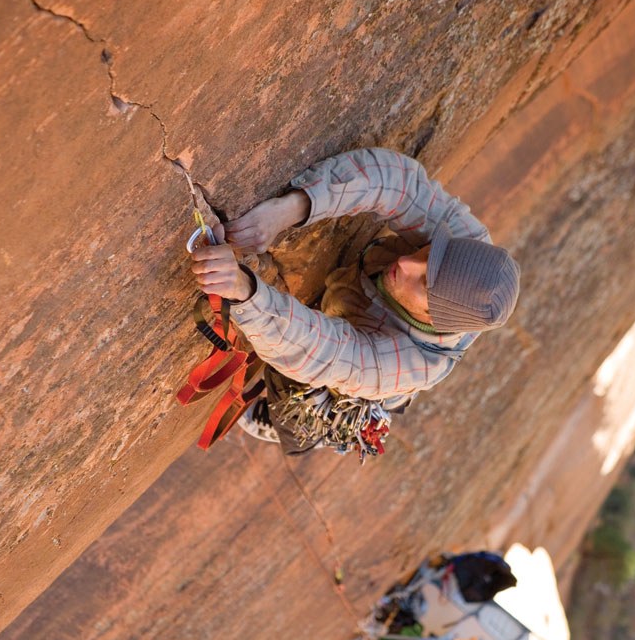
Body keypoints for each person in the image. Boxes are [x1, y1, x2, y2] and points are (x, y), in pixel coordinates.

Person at [190, 147, 520, 455]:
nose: (406, 262)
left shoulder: (405, 365)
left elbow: (323, 352)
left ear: (432, 318)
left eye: (424, 281)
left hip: (370, 368)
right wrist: (291, 209)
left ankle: (300, 427)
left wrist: (244, 289)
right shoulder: (468, 249)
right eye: (429, 253)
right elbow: (396, 182)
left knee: (300, 396)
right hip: (365, 311)